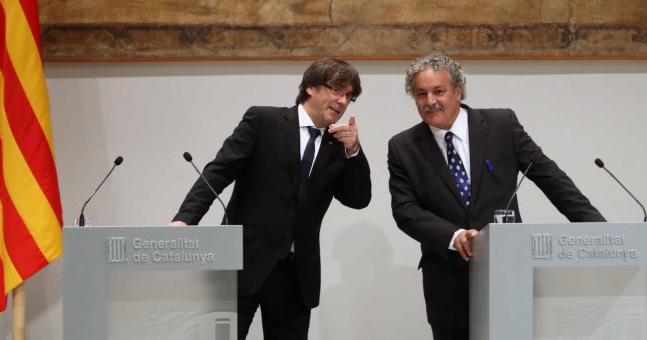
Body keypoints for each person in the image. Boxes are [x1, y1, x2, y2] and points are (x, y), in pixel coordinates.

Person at [387, 52, 605, 340]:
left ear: (457, 91)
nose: (430, 101)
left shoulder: (501, 125)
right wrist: (455, 236)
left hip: (509, 273)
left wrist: (598, 229)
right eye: (420, 94)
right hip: (448, 283)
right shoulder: (403, 146)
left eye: (438, 91)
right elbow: (406, 210)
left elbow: (550, 177)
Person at [170, 58, 372, 340]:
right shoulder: (264, 121)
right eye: (337, 89)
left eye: (349, 96)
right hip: (242, 264)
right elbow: (219, 171)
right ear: (311, 87)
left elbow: (358, 199)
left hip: (295, 275)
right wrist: (185, 219)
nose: (342, 100)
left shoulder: (337, 145)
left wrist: (354, 151)